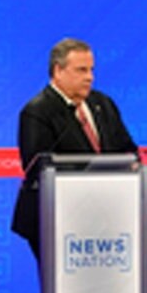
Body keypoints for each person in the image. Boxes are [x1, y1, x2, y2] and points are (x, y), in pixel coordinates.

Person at [11, 37, 138, 261]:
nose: (90, 77)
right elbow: (38, 168)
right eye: (81, 70)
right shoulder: (37, 111)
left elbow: (127, 149)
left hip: (106, 215)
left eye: (91, 70)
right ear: (58, 71)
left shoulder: (102, 104)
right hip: (54, 218)